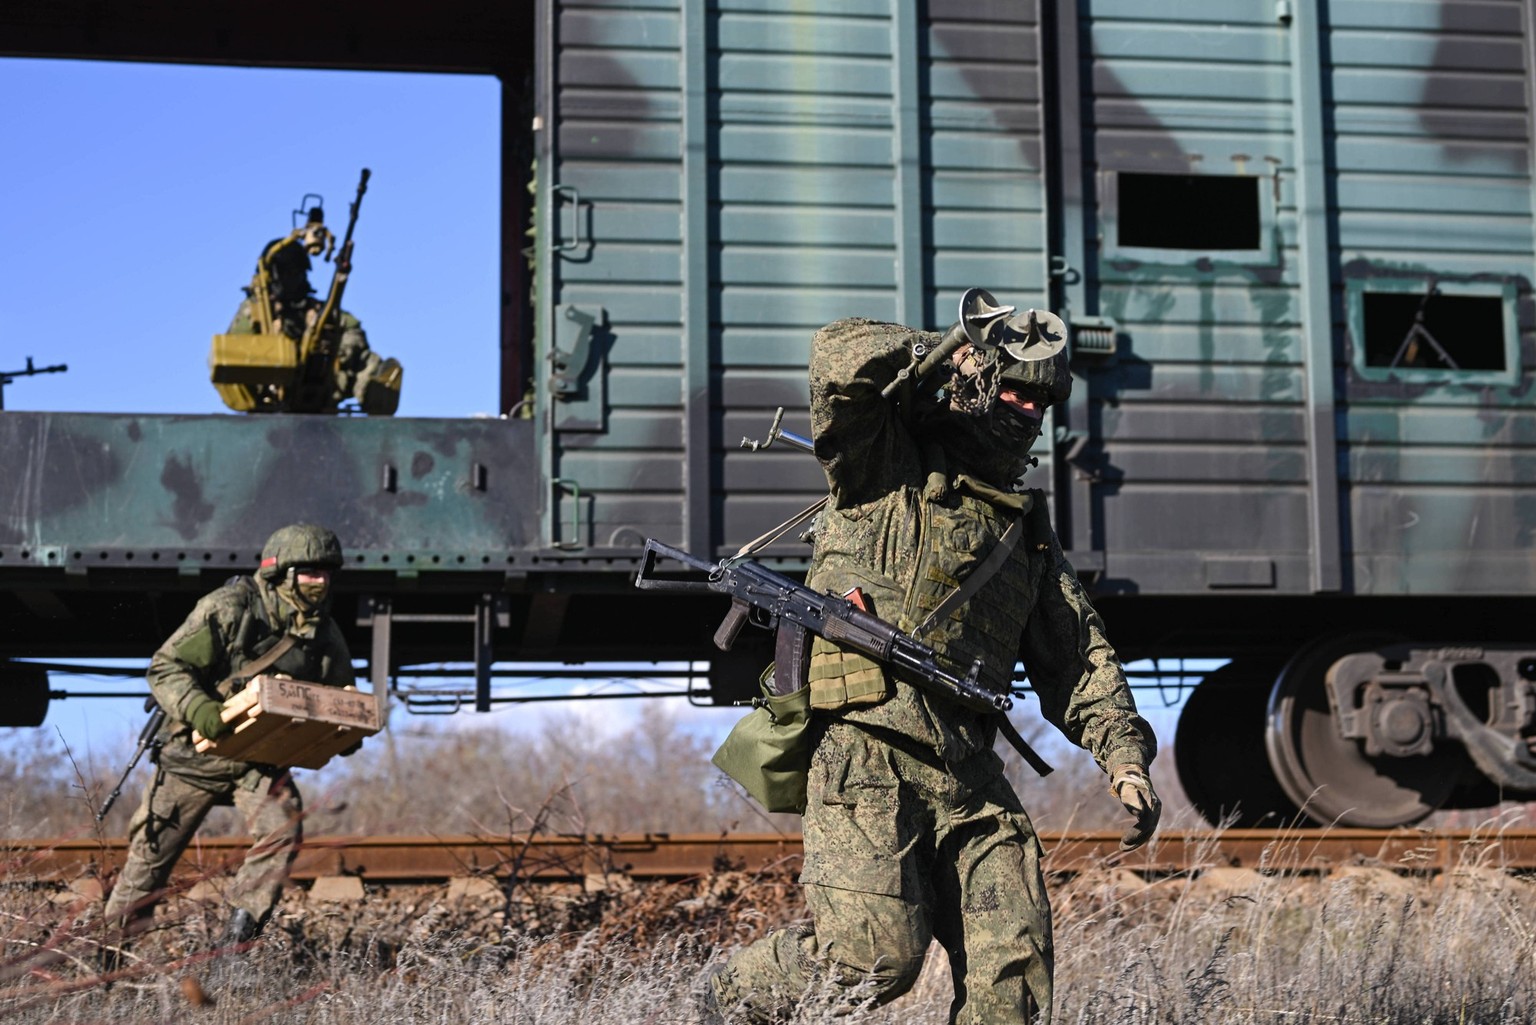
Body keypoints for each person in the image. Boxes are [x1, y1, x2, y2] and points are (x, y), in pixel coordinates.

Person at [702, 292, 1160, 1025]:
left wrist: (1126, 759)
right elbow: (836, 356)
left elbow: (1079, 661)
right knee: (873, 960)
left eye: (1042, 398)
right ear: (977, 384)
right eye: (1013, 387)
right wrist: (949, 345)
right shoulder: (882, 467)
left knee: (1011, 983)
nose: (1027, 409)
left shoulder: (1024, 533)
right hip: (868, 755)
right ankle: (723, 1001)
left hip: (970, 774)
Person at [101, 523, 356, 955]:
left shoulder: (323, 633)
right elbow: (166, 668)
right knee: (148, 867)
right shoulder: (231, 608)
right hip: (193, 754)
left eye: (327, 573)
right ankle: (104, 964)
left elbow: (338, 696)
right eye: (310, 572)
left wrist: (341, 734)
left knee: (282, 831)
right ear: (282, 573)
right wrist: (202, 711)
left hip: (259, 760)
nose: (321, 582)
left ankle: (234, 951)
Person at [216, 202, 402, 414]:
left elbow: (353, 334)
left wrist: (337, 351)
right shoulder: (255, 313)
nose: (295, 277)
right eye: (288, 272)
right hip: (269, 414)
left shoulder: (320, 313)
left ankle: (375, 396)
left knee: (363, 359)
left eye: (298, 271)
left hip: (321, 410)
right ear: (274, 275)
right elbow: (233, 362)